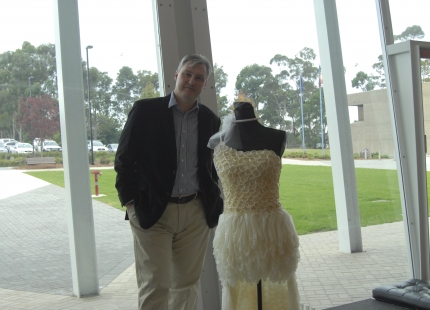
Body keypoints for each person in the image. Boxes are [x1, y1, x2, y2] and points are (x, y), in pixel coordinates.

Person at [115, 54, 223, 310]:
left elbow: (212, 168)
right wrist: (130, 203)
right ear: (176, 75)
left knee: (186, 285)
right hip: (153, 212)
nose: (191, 81)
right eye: (187, 74)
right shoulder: (145, 111)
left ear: (204, 84)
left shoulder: (210, 120)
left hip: (195, 214)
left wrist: (213, 201)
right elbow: (124, 160)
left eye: (199, 77)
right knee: (155, 285)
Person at [208, 102, 300, 310]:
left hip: (271, 226)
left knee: (275, 286)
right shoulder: (217, 143)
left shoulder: (277, 137)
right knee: (239, 289)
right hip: (235, 230)